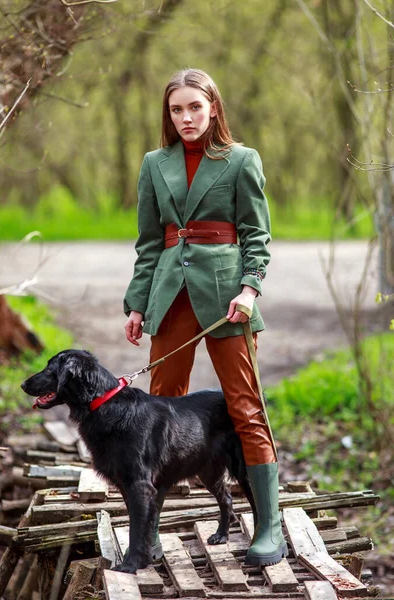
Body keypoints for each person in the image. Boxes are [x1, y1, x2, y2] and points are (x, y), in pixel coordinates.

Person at [123, 68, 287, 566]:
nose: (187, 117)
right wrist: (136, 303)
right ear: (168, 115)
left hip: (227, 298)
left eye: (195, 107)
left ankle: (269, 528)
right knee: (156, 414)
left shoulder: (241, 161)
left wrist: (250, 288)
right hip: (170, 295)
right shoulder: (155, 164)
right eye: (177, 109)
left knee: (245, 406)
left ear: (213, 107)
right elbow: (150, 244)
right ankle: (147, 536)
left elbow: (256, 235)